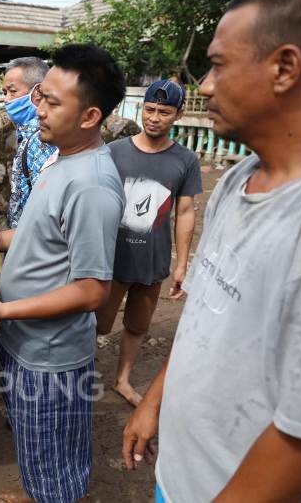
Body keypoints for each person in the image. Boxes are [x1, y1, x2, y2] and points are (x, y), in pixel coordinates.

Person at [122, 0, 301, 502]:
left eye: (219, 64)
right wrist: (156, 400)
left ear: (285, 68)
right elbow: (206, 315)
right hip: (178, 478)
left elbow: (298, 440)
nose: (203, 85)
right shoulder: (237, 179)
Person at [0, 44, 126, 503]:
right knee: (39, 447)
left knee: (53, 449)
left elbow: (93, 290)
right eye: (40, 95)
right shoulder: (62, 159)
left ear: (90, 115)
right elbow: (40, 235)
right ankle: (40, 491)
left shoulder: (91, 184)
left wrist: (4, 308)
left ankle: (52, 494)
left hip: (50, 356)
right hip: (26, 341)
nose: (38, 108)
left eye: (52, 102)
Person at [95, 79, 202, 407]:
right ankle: (80, 378)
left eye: (164, 112)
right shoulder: (114, 152)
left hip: (152, 261)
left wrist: (181, 264)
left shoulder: (185, 160)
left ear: (178, 115)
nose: (154, 117)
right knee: (94, 324)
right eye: (150, 109)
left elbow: (184, 212)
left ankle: (122, 380)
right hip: (110, 260)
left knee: (138, 326)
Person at [2, 57, 58, 228]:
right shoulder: (29, 135)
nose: (6, 100)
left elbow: (48, 210)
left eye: (12, 91)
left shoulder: (41, 140)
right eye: (4, 92)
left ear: (38, 92)